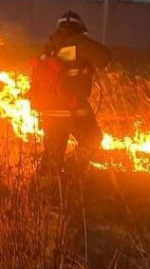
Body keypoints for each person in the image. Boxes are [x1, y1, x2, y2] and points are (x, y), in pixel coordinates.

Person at [36, 10, 111, 172]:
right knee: (92, 140)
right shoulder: (80, 42)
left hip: (49, 111)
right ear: (79, 28)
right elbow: (105, 57)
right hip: (75, 109)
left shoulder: (49, 47)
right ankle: (70, 176)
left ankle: (43, 190)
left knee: (52, 156)